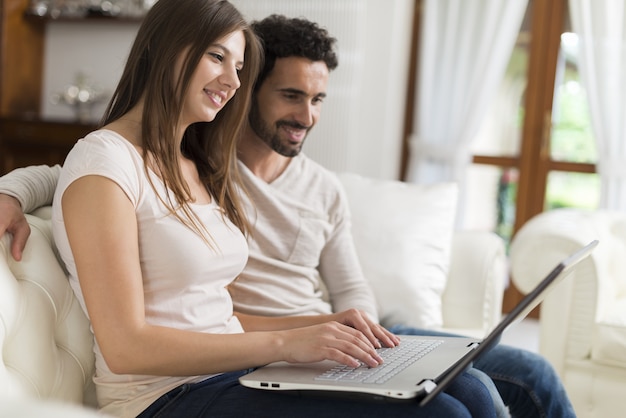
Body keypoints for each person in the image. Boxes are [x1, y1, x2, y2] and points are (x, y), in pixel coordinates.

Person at [0, 1, 499, 417]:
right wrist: (288, 345)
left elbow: (213, 318)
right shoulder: (104, 162)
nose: (233, 81)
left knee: (470, 388)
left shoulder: (194, 163)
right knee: (442, 412)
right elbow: (126, 345)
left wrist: (321, 327)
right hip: (164, 397)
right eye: (217, 57)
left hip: (237, 375)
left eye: (239, 67)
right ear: (161, 50)